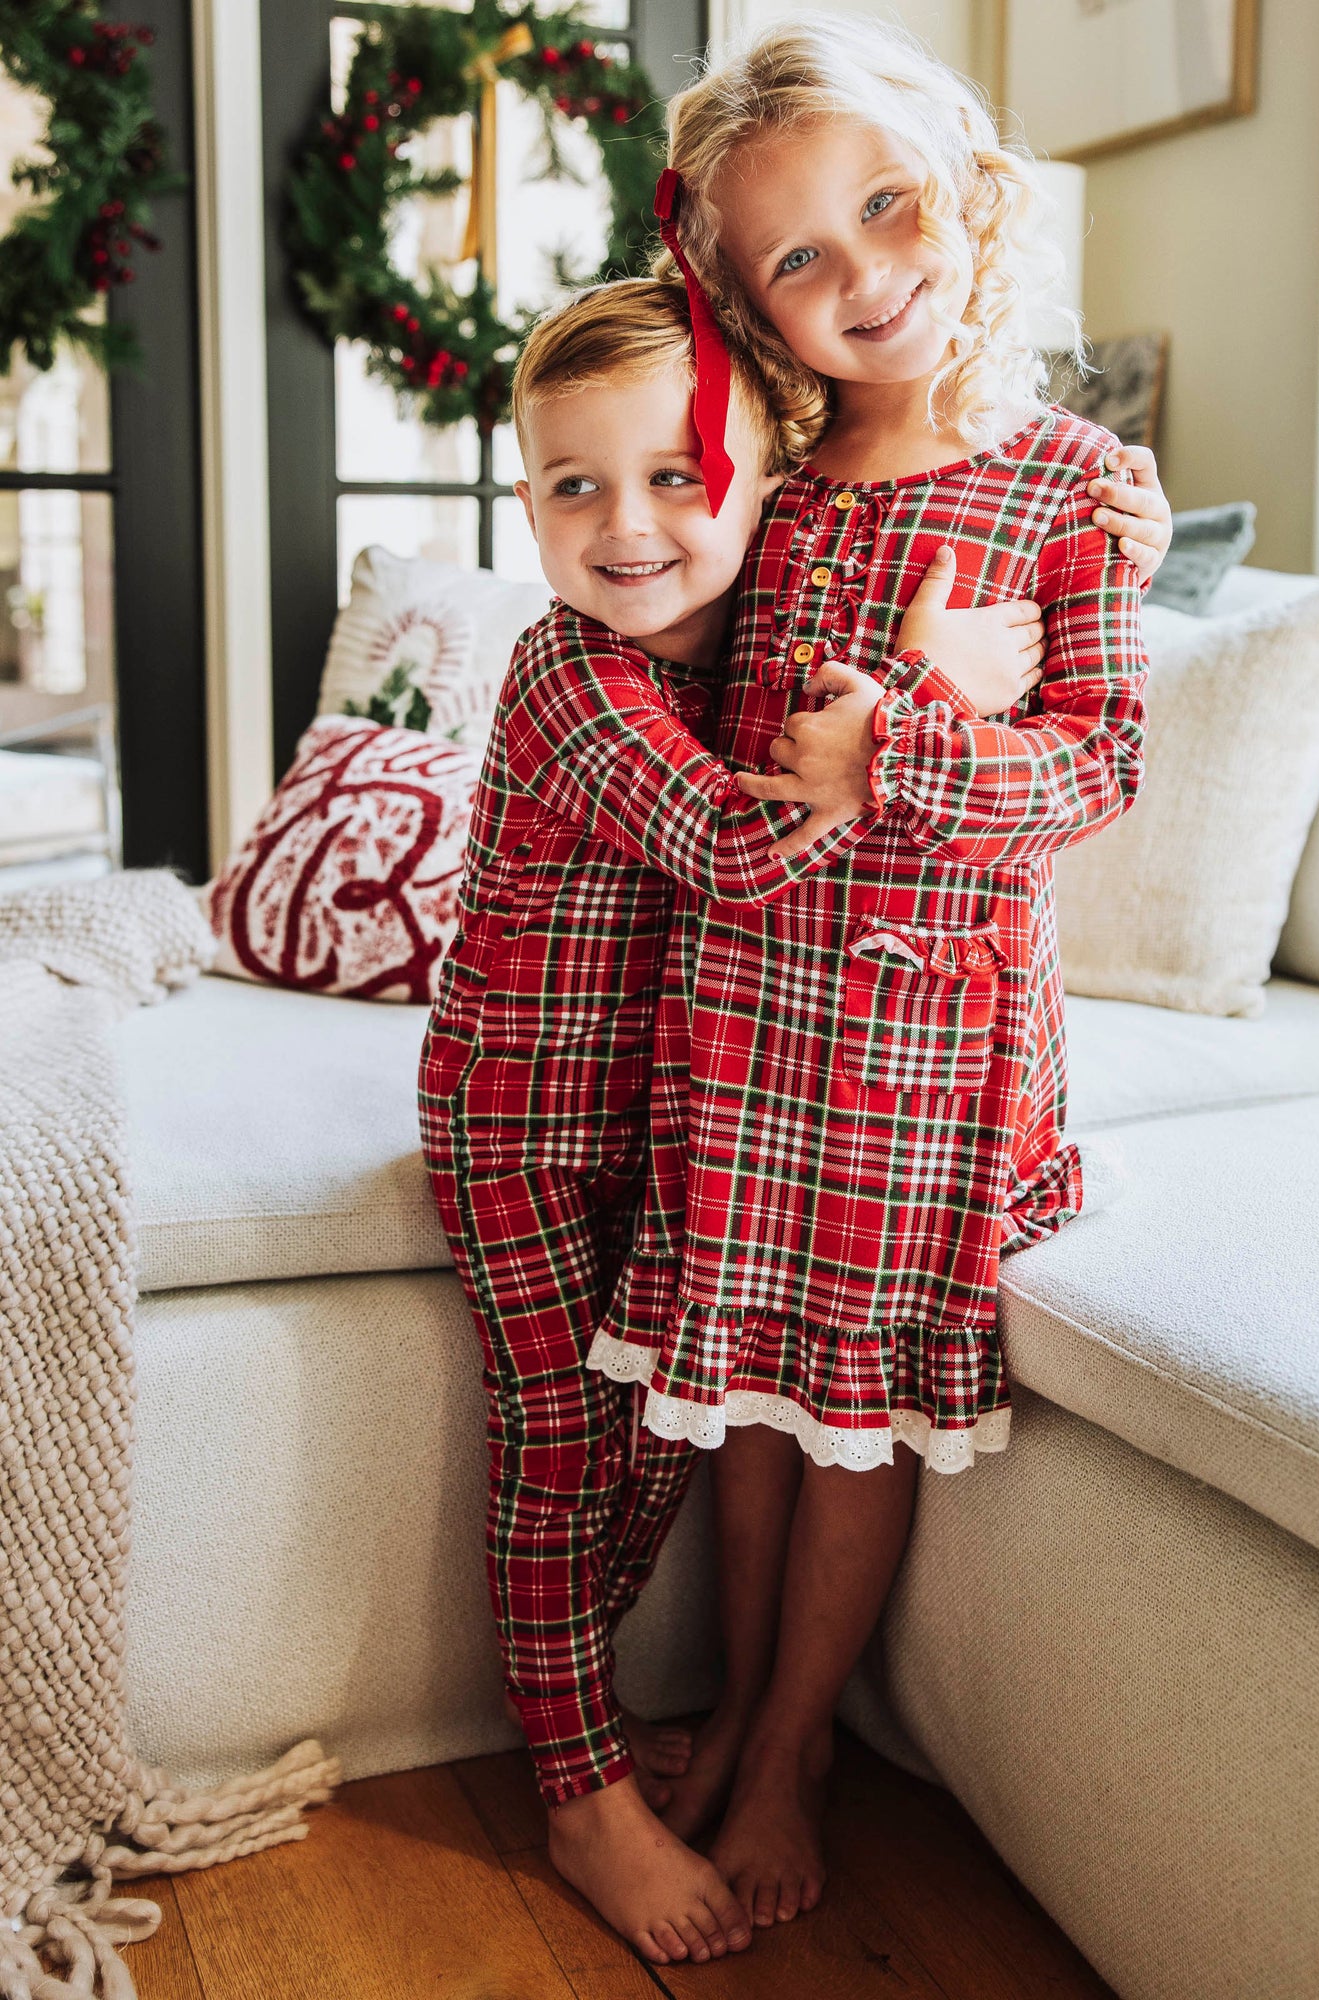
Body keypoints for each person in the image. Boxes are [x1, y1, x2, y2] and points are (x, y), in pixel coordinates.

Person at [583, 13, 1157, 1932]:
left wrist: (890, 753)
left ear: (970, 199)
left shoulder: (1071, 485)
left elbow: (1100, 769)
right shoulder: (777, 482)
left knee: (851, 1412)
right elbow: (659, 622)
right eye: (797, 258)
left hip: (922, 1045)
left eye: (888, 211)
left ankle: (797, 1731)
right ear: (745, 301)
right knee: (744, 1399)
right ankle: (751, 1708)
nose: (865, 277)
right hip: (745, 1017)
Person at [416, 274, 1056, 1967]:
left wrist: (1113, 498)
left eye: (678, 472)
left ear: (769, 473)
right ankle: (575, 1791)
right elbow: (745, 855)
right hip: (528, 1127)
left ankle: (611, 1731)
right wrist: (918, 691)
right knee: (563, 1446)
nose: (628, 526)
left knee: (651, 1444)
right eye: (572, 486)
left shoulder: (765, 622)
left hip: (687, 1118)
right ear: (526, 507)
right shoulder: (572, 678)